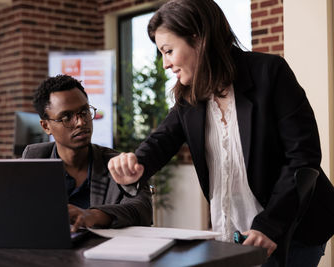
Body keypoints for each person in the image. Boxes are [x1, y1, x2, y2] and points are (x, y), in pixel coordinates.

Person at [107, 0, 334, 266]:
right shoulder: (188, 98)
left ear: (198, 37)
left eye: (168, 51)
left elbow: (302, 157)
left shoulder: (270, 73)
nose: (165, 63)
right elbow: (161, 141)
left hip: (291, 230)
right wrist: (136, 165)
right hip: (233, 236)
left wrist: (269, 226)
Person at [22, 75, 152, 232]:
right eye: (66, 117)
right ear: (46, 126)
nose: (81, 122)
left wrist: (94, 216)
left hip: (102, 252)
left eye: (84, 112)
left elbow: (142, 209)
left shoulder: (116, 163)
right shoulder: (35, 158)